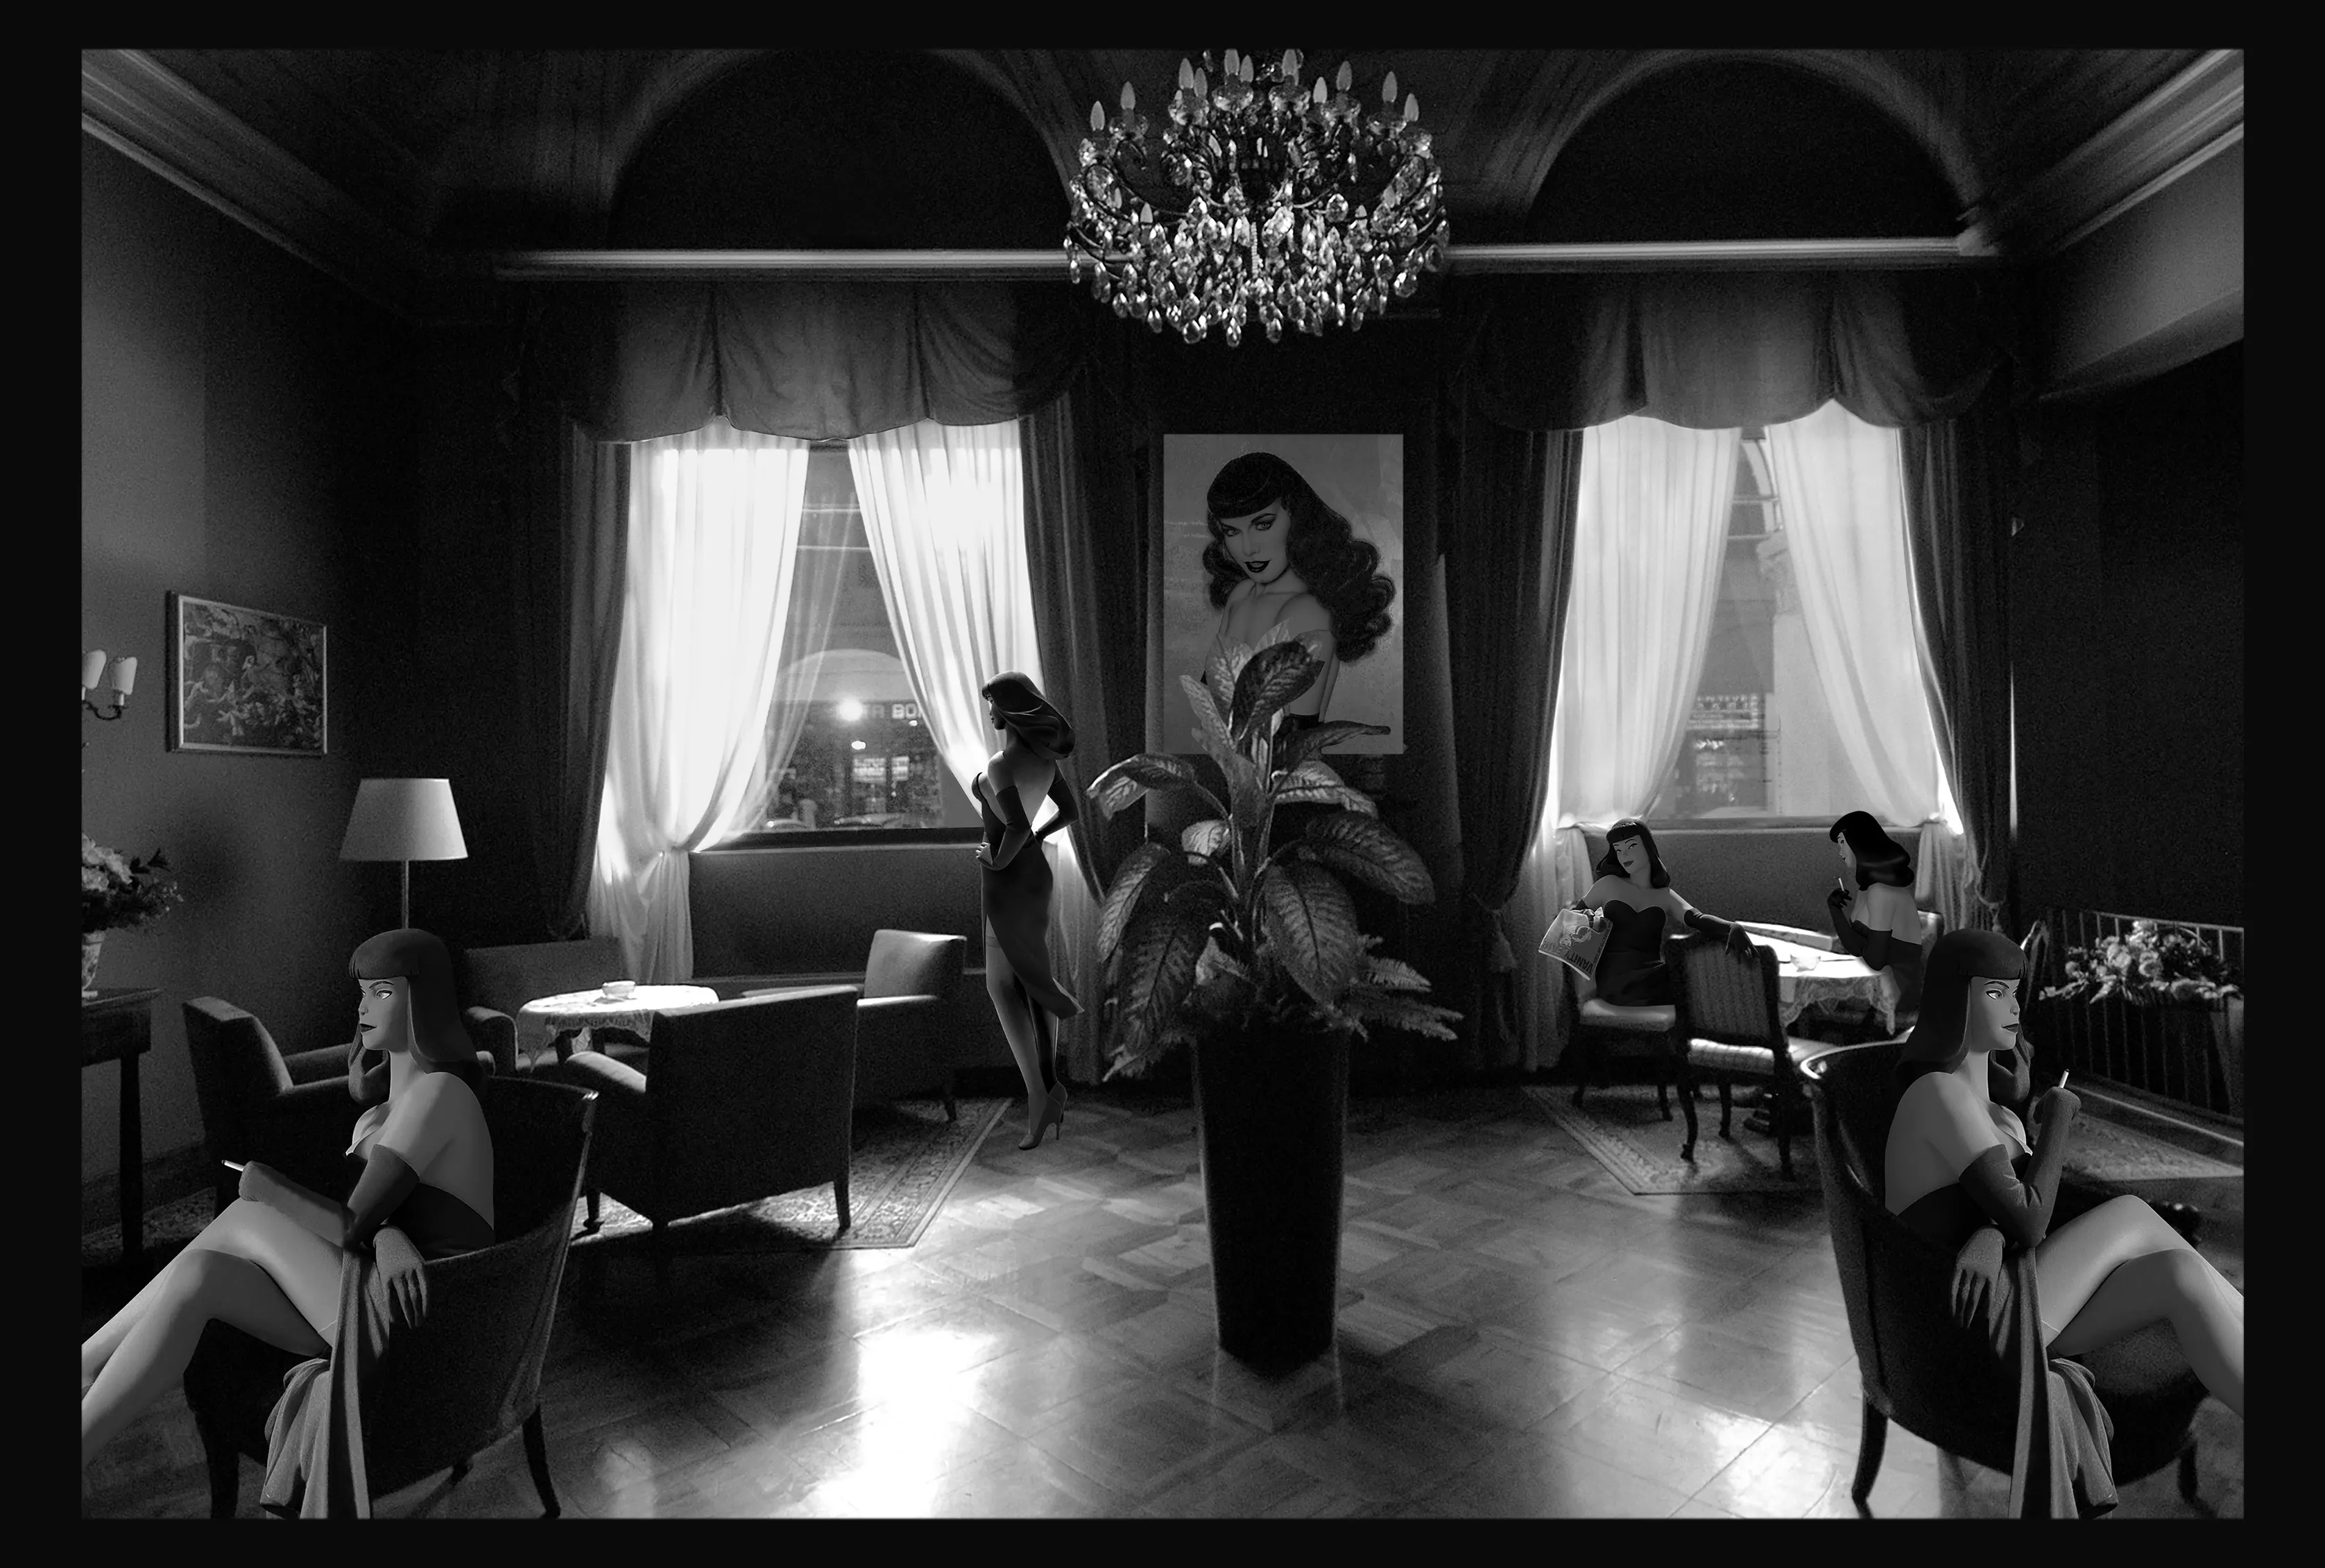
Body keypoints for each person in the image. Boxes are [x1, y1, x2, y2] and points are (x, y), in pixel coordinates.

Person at [80, 929, 496, 1470]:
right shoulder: (399, 1098)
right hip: (380, 1289)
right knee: (201, 1274)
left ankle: (84, 1365)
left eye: (383, 993)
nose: (363, 1007)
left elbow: (352, 1223)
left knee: (250, 1211)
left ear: (422, 1002)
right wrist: (388, 1231)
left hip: (427, 1317)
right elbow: (387, 1213)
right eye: (363, 992)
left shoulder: (437, 1094)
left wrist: (271, 1189)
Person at [1885, 929, 2242, 1418]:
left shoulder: (1989, 1107)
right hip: (1963, 1319)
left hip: (2006, 1288)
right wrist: (2057, 1118)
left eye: (2015, 992)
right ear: (1956, 1000)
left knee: (2179, 1273)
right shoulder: (1938, 1094)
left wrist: (1991, 1231)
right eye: (1996, 993)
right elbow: (2031, 1221)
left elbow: (1992, 1211)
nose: (2013, 1007)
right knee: (2130, 1213)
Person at [1198, 451, 1396, 730]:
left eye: (1263, 525)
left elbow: (1296, 740)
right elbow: (1207, 699)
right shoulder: (1241, 594)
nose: (1247, 548)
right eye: (1232, 532)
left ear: (1297, 517)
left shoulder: (1307, 612)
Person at [975, 673, 1082, 1150]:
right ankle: (1046, 1089)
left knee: (1003, 984)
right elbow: (1068, 813)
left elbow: (1015, 825)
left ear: (1009, 708)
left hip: (1009, 876)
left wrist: (997, 860)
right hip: (1032, 871)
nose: (990, 712)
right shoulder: (1045, 762)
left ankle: (1042, 1093)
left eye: (993, 703)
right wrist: (1037, 837)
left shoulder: (1001, 764)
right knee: (1028, 977)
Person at [1572, 818, 1756, 1006]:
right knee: (1693, 980)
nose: (1624, 855)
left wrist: (1731, 927)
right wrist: (1585, 918)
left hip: (1653, 975)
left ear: (1647, 847)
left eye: (1631, 846)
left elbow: (1696, 918)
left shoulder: (1664, 895)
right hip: (1615, 980)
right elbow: (1573, 916)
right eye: (1618, 850)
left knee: (1701, 976)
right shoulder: (1608, 884)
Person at [1826, 810, 1928, 1021]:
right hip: (1879, 978)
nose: (1841, 852)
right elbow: (1858, 948)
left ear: (1859, 844)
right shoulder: (1869, 889)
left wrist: (1850, 948)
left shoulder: (1881, 892)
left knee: (1814, 1000)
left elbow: (1876, 959)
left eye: (1843, 843)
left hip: (1896, 987)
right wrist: (1836, 911)